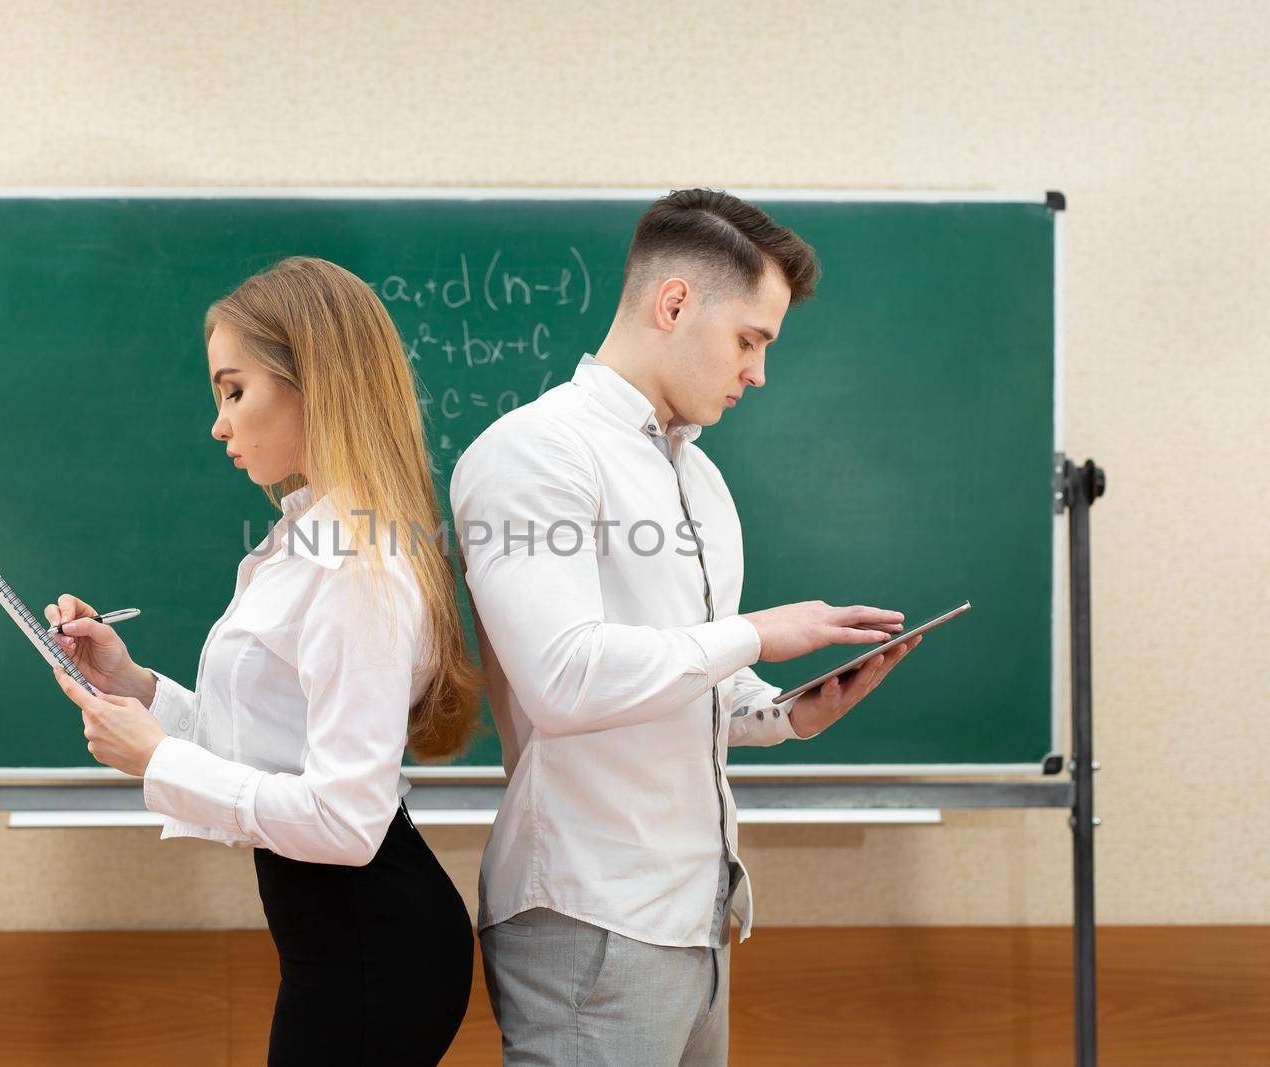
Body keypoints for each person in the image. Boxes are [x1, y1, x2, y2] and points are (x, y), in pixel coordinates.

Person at [449, 188, 922, 1066]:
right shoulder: (533, 452)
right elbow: (563, 678)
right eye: (751, 339)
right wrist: (755, 633)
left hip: (697, 911)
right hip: (590, 916)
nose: (759, 373)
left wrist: (786, 711)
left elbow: (695, 678)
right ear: (674, 303)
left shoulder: (701, 480)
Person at [49, 256, 481, 1065]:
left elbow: (346, 824)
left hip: (373, 949)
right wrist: (132, 684)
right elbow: (267, 739)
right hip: (339, 942)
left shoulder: (358, 567)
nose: (219, 423)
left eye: (234, 389)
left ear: (312, 382)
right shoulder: (303, 540)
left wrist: (160, 758)